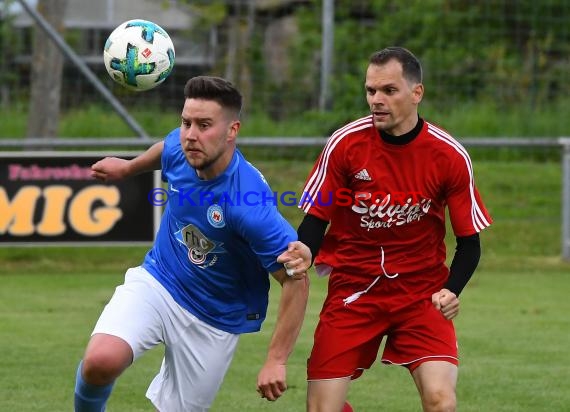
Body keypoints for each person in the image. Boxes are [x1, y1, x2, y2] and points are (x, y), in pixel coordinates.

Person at [74, 76, 311, 412]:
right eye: (186, 122)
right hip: (160, 279)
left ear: (232, 131)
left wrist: (276, 359)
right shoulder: (183, 148)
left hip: (214, 317)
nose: (190, 135)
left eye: (204, 125)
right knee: (101, 360)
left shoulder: (249, 206)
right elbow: (166, 148)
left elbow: (295, 280)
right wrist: (128, 168)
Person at [296, 47, 492, 412]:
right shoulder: (344, 144)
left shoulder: (448, 155)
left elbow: (469, 243)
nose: (376, 100)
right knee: (321, 409)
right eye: (371, 91)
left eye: (389, 90)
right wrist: (303, 252)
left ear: (416, 93)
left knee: (441, 401)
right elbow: (315, 221)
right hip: (354, 291)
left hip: (421, 294)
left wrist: (451, 290)